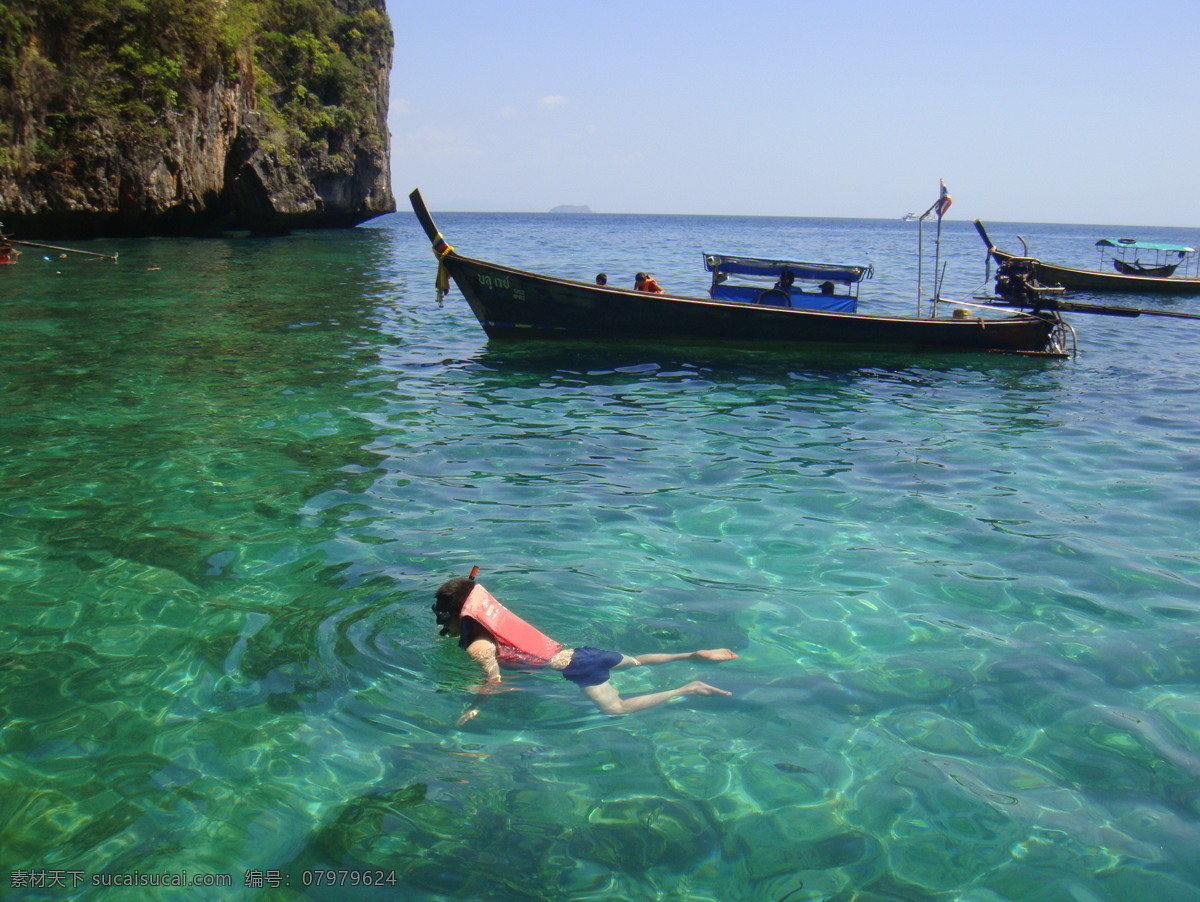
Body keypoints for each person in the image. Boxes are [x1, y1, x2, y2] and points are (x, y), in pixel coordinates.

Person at [433, 576, 737, 725]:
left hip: (579, 669)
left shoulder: (478, 646)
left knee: (613, 709)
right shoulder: (483, 628)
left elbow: (494, 681)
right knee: (636, 662)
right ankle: (691, 655)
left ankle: (687, 688)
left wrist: (475, 707)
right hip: (585, 652)